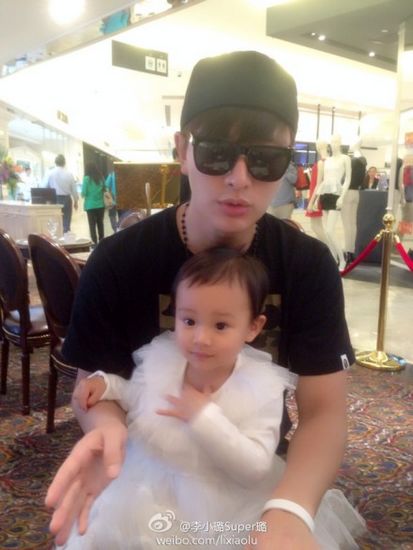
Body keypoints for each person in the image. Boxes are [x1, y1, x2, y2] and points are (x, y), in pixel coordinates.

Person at [46, 51, 356, 549]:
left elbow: (323, 410)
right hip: (148, 471)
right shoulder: (119, 260)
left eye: (265, 159)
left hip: (251, 474)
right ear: (182, 150)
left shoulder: (307, 265)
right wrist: (103, 425)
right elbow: (95, 383)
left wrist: (291, 510)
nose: (239, 178)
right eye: (215, 153)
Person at [57, 248, 364, 549]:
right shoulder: (166, 359)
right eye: (189, 321)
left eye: (220, 325)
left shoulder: (259, 387)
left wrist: (204, 417)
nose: (201, 338)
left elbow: (254, 466)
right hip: (151, 480)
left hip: (226, 500)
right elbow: (140, 397)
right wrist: (107, 385)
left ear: (253, 327)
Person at [307, 134, 352, 270]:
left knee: (330, 230)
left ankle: (342, 259)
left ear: (340, 143)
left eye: (336, 141)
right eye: (332, 141)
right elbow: (322, 182)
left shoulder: (345, 158)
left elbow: (347, 179)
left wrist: (342, 197)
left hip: (336, 195)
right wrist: (315, 199)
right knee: (327, 232)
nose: (334, 144)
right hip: (325, 195)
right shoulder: (327, 161)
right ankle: (333, 258)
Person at [340, 138, 367, 266]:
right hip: (356, 193)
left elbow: (344, 179)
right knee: (352, 224)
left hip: (347, 192)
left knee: (347, 224)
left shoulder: (350, 161)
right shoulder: (363, 160)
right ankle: (351, 251)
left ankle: (348, 252)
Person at [305, 139, 329, 245]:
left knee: (315, 226)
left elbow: (318, 184)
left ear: (318, 147)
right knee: (319, 226)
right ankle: (326, 247)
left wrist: (311, 202)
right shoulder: (328, 161)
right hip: (319, 194)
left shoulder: (321, 162)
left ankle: (328, 247)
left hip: (316, 196)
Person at [47, 154, 78, 233]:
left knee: (55, 222)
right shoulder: (69, 174)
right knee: (66, 222)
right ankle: (66, 236)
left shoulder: (50, 173)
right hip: (67, 199)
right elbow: (74, 189)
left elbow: (45, 187)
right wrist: (76, 201)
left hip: (54, 199)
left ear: (55, 162)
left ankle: (57, 238)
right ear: (64, 163)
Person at [81, 162, 105, 244]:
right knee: (100, 223)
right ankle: (102, 241)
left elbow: (83, 193)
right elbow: (105, 189)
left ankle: (94, 242)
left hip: (90, 206)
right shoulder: (101, 178)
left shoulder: (86, 179)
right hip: (100, 205)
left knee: (92, 225)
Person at [104, 166, 118, 233]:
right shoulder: (124, 175)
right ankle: (121, 230)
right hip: (122, 200)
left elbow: (106, 186)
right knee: (123, 216)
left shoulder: (111, 175)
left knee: (112, 216)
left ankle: (115, 231)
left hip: (112, 200)